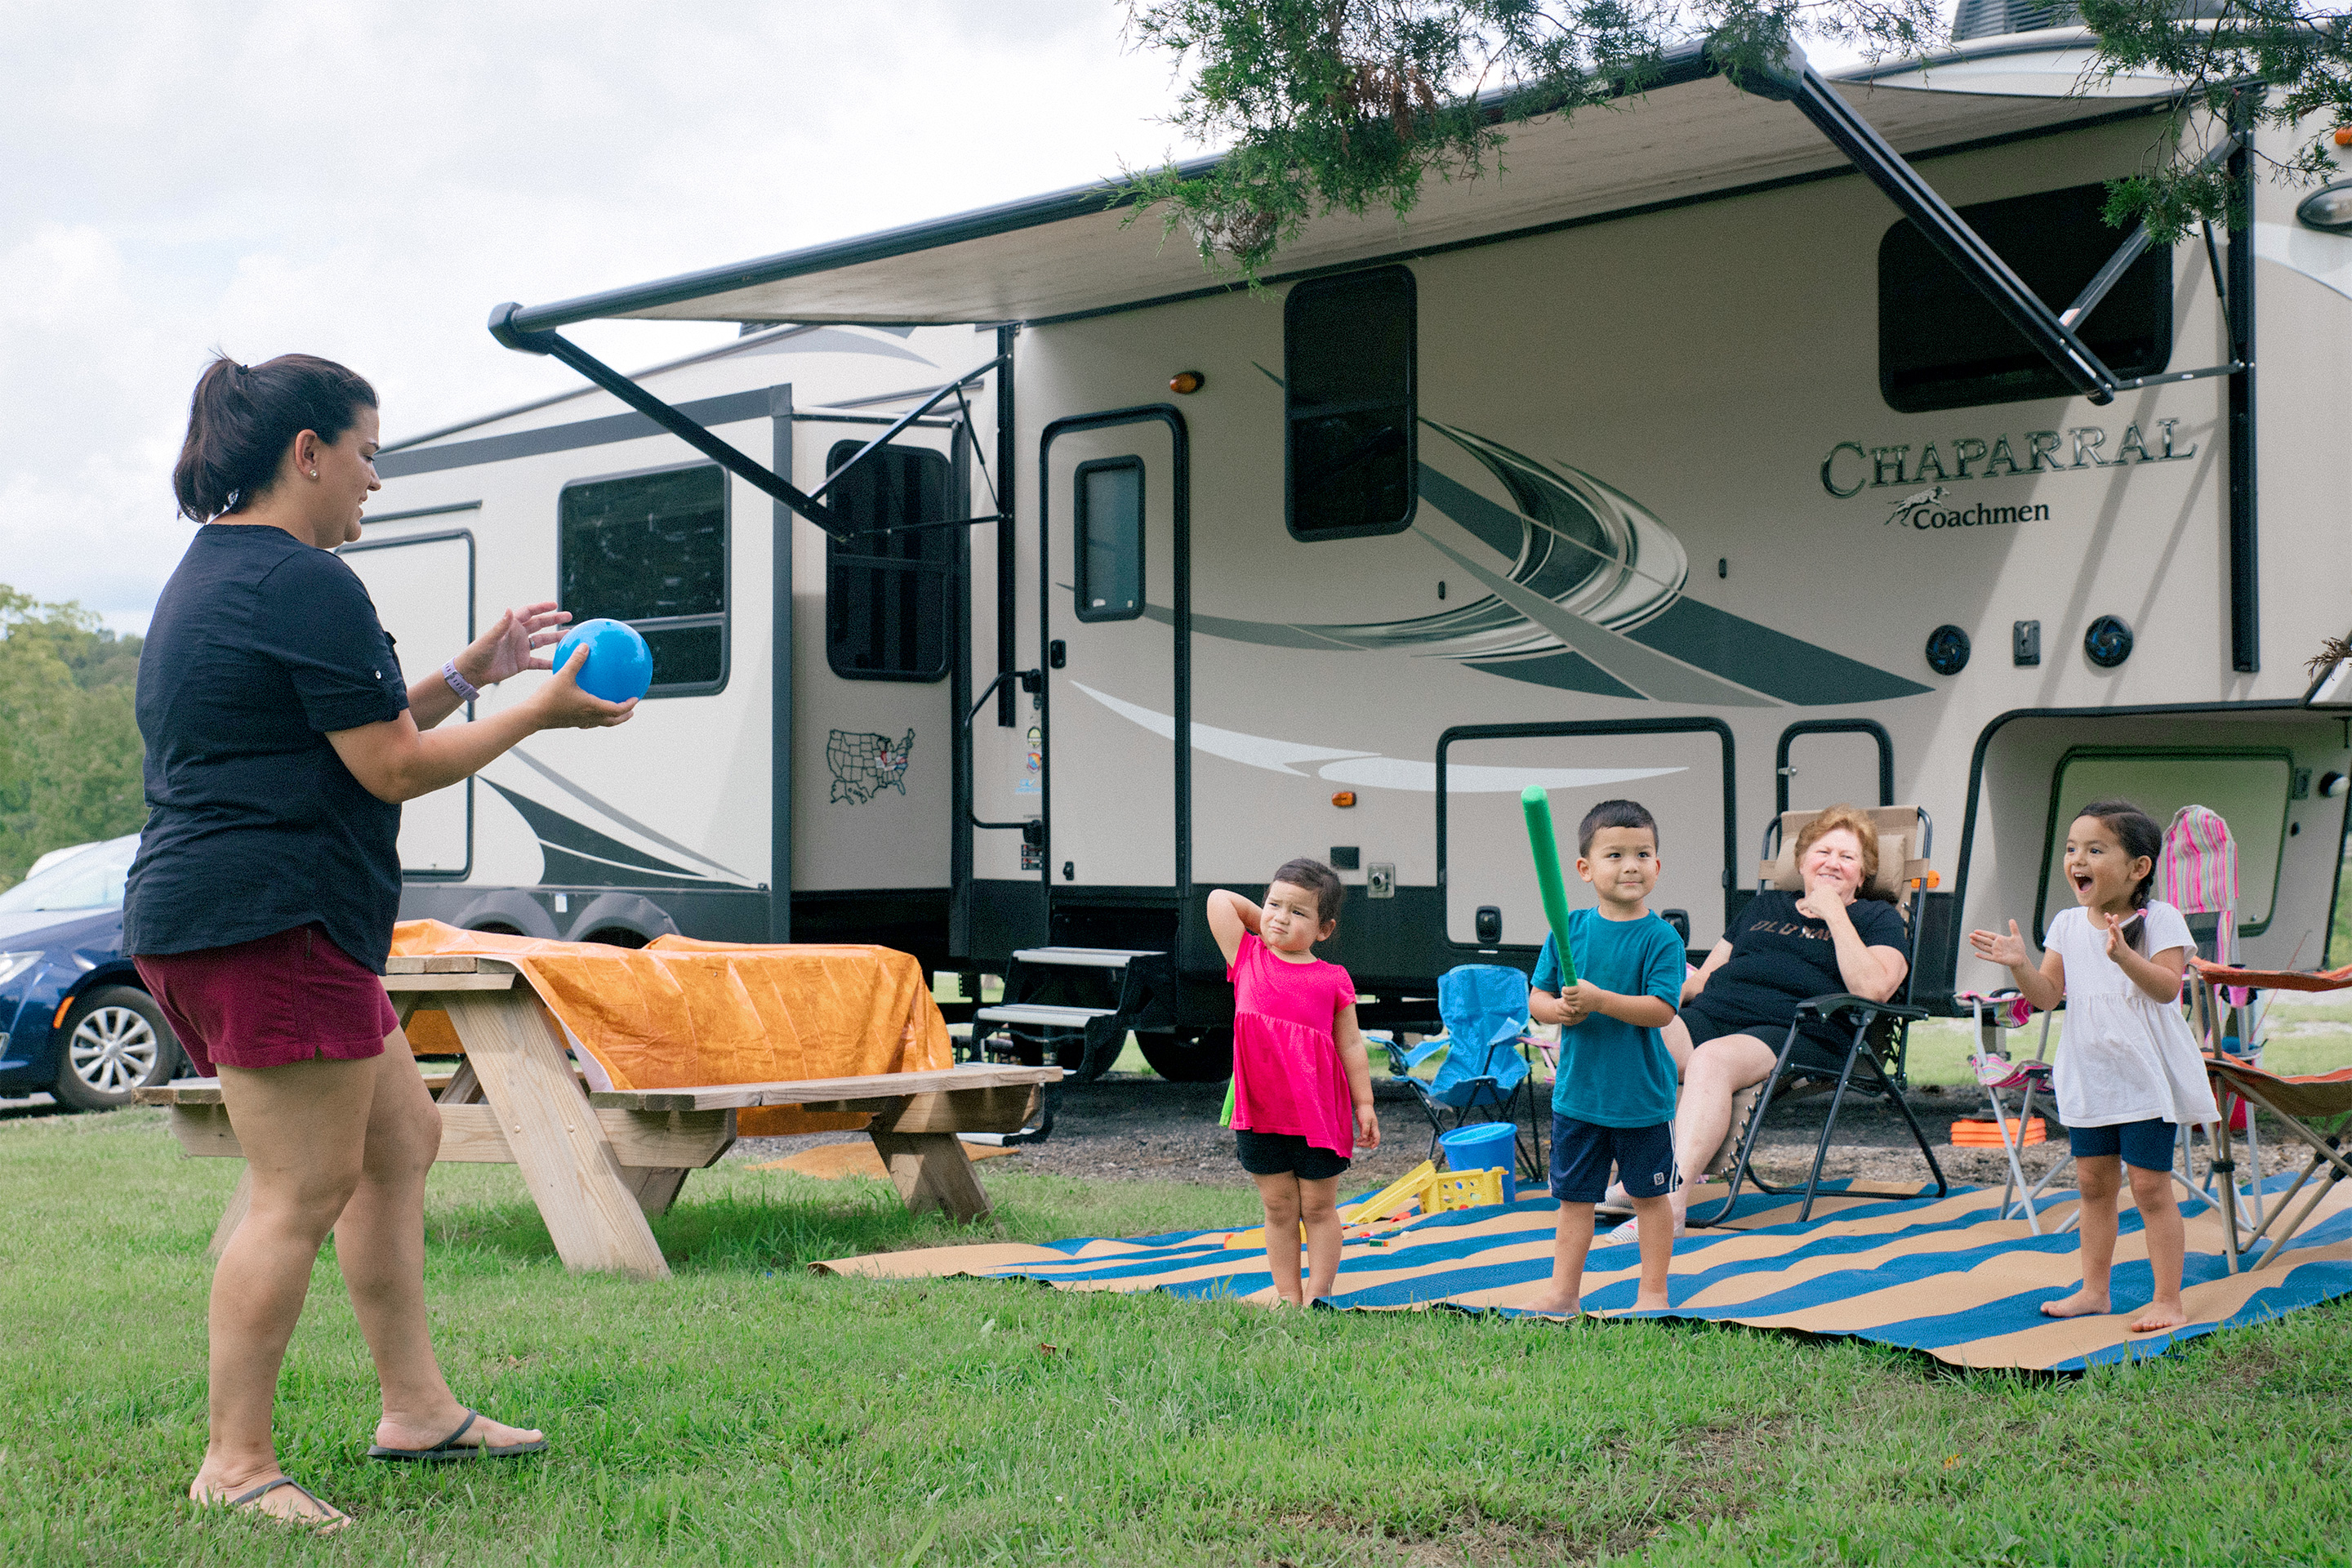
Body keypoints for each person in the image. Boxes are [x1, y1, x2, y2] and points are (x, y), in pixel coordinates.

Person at [125, 354, 634, 1531]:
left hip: (234, 913)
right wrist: (540, 711)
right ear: (307, 452)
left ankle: (418, 1409)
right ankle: (237, 1465)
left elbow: (360, 724)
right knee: (297, 1189)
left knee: (399, 1136)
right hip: (274, 919)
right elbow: (390, 766)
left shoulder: (220, 571)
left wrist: (473, 670)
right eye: (365, 450)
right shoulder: (308, 584)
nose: (376, 478)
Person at [1968, 799, 2218, 1334]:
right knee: (2092, 1187)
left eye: (2095, 849)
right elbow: (2047, 996)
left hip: (2146, 1077)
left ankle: (2168, 1300)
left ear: (2138, 868)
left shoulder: (2159, 918)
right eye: (2072, 848)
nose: (2077, 859)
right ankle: (2094, 1290)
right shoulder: (2064, 924)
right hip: (2090, 1074)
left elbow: (2169, 988)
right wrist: (2020, 965)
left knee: (2151, 1189)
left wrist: (2126, 957)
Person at [1613, 804, 1913, 1239]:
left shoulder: (1877, 917)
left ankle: (1668, 1210)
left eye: (1848, 857)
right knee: (1627, 1035)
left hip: (1798, 1028)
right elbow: (1707, 977)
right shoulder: (1766, 905)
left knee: (1712, 1060)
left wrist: (1834, 913)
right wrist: (1651, 1000)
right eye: (1822, 852)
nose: (1832, 863)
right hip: (1714, 1013)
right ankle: (1622, 1181)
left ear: (1863, 875)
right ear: (1801, 862)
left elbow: (1872, 990)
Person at [1521, 800, 1686, 1316]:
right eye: (1614, 854)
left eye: (1642, 853)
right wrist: (1559, 1011)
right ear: (1585, 869)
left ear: (1658, 866)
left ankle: (1653, 1291)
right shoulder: (1568, 929)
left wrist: (1598, 1001)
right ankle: (1564, 1291)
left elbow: (1660, 1011)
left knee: (1649, 1199)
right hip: (1579, 1096)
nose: (1630, 865)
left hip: (1640, 1098)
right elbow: (1537, 996)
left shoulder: (1662, 938)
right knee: (1575, 1200)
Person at [1205, 859, 1379, 1307]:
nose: (1281, 916)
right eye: (1274, 904)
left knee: (1319, 1210)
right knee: (1279, 1210)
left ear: (1325, 929)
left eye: (1298, 912)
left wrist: (1365, 1104)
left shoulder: (1333, 979)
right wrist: (1266, 922)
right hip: (1260, 1113)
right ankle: (1287, 1296)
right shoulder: (1247, 958)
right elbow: (1217, 901)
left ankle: (1318, 1296)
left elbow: (1353, 1047)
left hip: (1319, 1116)